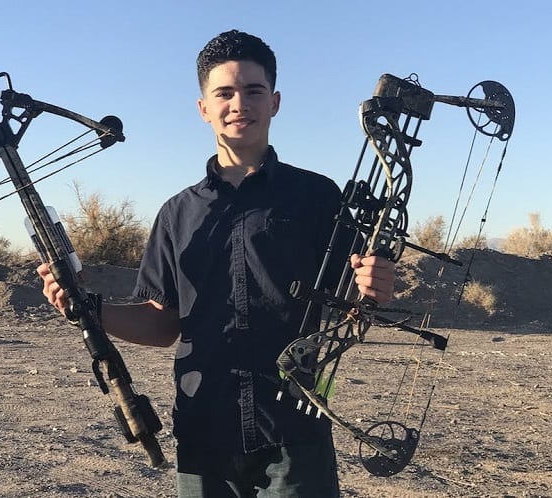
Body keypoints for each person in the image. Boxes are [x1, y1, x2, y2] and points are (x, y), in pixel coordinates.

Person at [38, 29, 395, 498]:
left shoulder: (317, 196)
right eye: (224, 92)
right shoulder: (176, 214)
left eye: (253, 91)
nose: (239, 103)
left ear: (275, 102)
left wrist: (376, 285)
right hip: (203, 432)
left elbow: (353, 302)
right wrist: (85, 306)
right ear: (204, 108)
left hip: (296, 431)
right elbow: (163, 324)